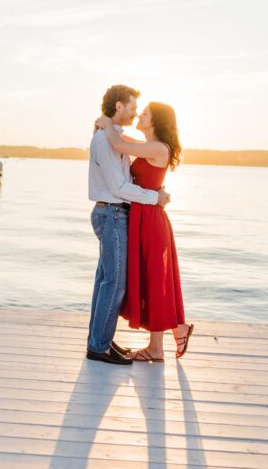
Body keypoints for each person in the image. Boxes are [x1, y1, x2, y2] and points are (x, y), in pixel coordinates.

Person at [96, 101, 193, 362]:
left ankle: (160, 344)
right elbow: (121, 139)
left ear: (156, 121)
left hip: (150, 220)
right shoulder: (150, 146)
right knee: (151, 280)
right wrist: (108, 127)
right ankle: (163, 341)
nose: (140, 114)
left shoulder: (157, 147)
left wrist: (106, 124)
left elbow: (118, 144)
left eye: (145, 113)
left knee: (154, 279)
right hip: (143, 216)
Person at [86, 85, 171, 365]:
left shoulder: (115, 136)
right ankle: (98, 346)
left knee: (105, 280)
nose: (136, 113)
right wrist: (154, 197)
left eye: (140, 110)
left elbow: (128, 149)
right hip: (111, 213)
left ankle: (101, 340)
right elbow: (119, 186)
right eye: (133, 107)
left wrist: (106, 124)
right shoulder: (104, 140)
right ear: (119, 106)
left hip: (114, 213)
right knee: (114, 282)